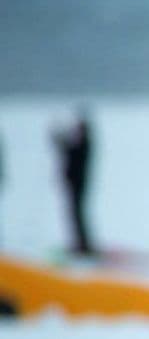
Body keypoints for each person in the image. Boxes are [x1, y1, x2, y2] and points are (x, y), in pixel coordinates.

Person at [51, 108, 95, 258]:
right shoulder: (82, 142)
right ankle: (81, 245)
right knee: (75, 214)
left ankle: (83, 246)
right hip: (74, 183)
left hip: (78, 184)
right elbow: (68, 148)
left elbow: (69, 150)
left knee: (77, 214)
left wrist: (58, 139)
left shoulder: (85, 143)